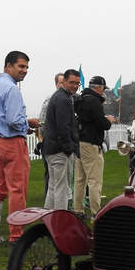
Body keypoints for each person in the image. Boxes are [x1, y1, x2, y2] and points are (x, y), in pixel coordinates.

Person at [0, 51, 41, 245]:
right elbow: (13, 120)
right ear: (8, 66)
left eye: (26, 67)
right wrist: (28, 124)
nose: (25, 71)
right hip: (11, 143)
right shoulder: (12, 89)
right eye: (21, 66)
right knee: (18, 190)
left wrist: (22, 126)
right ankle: (17, 236)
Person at [74, 75, 116, 217]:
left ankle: (78, 210)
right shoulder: (94, 101)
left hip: (80, 141)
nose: (103, 91)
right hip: (91, 143)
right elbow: (101, 124)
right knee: (94, 181)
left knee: (80, 180)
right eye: (103, 88)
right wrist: (109, 120)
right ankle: (96, 213)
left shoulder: (81, 98)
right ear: (98, 87)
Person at [42, 69, 80, 210]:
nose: (75, 86)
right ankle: (59, 223)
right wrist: (69, 149)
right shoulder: (63, 99)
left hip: (51, 149)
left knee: (53, 185)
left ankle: (48, 217)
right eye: (71, 82)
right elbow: (63, 128)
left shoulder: (61, 96)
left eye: (77, 83)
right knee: (62, 189)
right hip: (59, 151)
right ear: (63, 82)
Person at [37, 73, 64, 197]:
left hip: (61, 145)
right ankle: (49, 198)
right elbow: (41, 123)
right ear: (56, 84)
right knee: (50, 172)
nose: (63, 85)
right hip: (49, 143)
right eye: (61, 82)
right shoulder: (50, 100)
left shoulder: (67, 99)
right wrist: (43, 140)